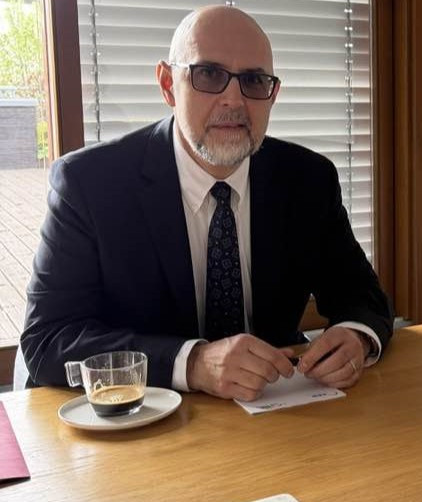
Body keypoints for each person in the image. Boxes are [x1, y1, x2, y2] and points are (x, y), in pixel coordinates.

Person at [19, 6, 392, 401]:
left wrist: (356, 337)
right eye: (209, 74)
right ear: (168, 85)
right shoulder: (90, 185)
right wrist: (191, 363)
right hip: (145, 419)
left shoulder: (307, 179)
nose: (233, 99)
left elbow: (363, 296)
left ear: (273, 95)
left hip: (277, 411)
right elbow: (48, 339)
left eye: (253, 80)